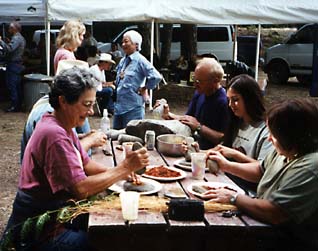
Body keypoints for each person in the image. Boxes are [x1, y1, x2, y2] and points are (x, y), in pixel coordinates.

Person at [2, 66, 149, 251]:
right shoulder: (54, 134)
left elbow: (86, 164)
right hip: (36, 232)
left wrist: (122, 174)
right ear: (63, 101)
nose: (91, 112)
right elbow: (80, 189)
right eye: (86, 105)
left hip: (55, 217)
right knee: (107, 241)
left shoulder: (63, 125)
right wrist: (124, 168)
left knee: (110, 222)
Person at [205, 98, 318, 250]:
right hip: (265, 226)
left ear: (292, 136)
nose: (270, 139)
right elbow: (261, 170)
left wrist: (233, 198)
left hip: (290, 240)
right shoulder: (287, 150)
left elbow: (275, 213)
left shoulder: (310, 167)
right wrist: (227, 166)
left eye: (274, 135)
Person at [213, 74, 274, 192]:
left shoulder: (266, 130)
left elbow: (264, 170)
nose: (231, 105)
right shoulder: (236, 122)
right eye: (229, 100)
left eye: (235, 100)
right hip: (228, 181)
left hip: (249, 191)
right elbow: (221, 149)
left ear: (250, 99)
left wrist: (236, 155)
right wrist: (197, 151)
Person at [160, 57, 230, 150]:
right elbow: (189, 120)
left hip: (213, 153)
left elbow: (224, 139)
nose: (195, 85)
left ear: (215, 81)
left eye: (199, 81)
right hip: (194, 148)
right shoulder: (200, 93)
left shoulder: (225, 102)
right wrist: (169, 115)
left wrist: (199, 127)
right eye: (194, 79)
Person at [113, 30, 162, 129]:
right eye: (122, 42)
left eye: (126, 41)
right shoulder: (123, 61)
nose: (123, 44)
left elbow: (156, 76)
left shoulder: (141, 60)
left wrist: (145, 88)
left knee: (130, 139)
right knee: (116, 138)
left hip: (133, 108)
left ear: (136, 44)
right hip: (119, 108)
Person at [0, 21, 26, 112]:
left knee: (12, 85)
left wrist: (1, 42)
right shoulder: (19, 38)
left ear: (14, 29)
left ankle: (15, 106)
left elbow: (10, 49)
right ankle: (18, 105)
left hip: (14, 64)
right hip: (17, 65)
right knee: (16, 85)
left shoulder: (17, 38)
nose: (9, 29)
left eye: (10, 28)